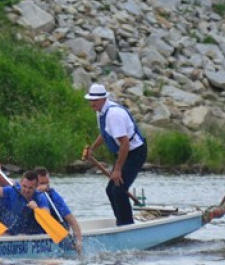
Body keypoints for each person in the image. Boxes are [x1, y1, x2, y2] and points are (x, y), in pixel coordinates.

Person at [83, 83, 148, 227]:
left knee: (118, 190)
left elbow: (125, 143)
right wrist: (92, 149)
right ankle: (121, 221)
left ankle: (126, 226)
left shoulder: (113, 115)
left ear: (103, 99)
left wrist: (117, 169)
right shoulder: (100, 112)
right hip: (125, 152)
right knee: (110, 190)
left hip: (135, 152)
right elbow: (104, 134)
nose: (91, 103)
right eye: (90, 100)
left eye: (95, 100)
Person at [0, 163, 50, 235]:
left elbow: (47, 219)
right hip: (11, 235)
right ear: (20, 183)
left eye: (30, 188)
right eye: (24, 186)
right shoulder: (12, 191)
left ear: (36, 187)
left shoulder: (40, 197)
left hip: (32, 237)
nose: (26, 190)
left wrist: (36, 208)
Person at [34, 167, 83, 253]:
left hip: (57, 230)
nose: (45, 187)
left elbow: (72, 221)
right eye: (42, 184)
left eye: (47, 183)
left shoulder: (54, 197)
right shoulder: (27, 192)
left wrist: (78, 241)